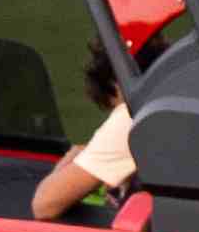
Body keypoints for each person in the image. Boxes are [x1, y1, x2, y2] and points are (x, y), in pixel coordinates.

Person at [32, 48, 132, 222]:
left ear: (117, 85)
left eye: (114, 108)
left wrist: (69, 162)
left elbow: (45, 205)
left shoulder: (132, 116)